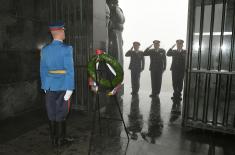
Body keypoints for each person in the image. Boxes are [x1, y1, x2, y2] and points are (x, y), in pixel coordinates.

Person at [40, 21, 74, 146]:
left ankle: (53, 138)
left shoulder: (45, 49)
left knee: (51, 112)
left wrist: (44, 85)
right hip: (63, 85)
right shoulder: (67, 49)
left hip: (49, 85)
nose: (64, 33)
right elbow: (70, 70)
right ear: (59, 32)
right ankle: (60, 140)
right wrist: (70, 88)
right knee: (61, 112)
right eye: (63, 31)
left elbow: (43, 69)